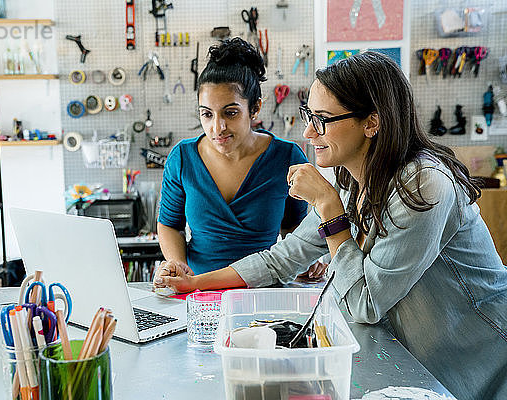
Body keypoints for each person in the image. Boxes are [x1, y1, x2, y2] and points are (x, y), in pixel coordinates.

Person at [154, 51, 507, 400]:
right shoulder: (350, 180)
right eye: (309, 115)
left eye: (322, 119)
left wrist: (329, 210)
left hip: (482, 357)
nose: (308, 132)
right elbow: (282, 258)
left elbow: (364, 302)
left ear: (371, 122)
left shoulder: (424, 184)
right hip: (424, 359)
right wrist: (194, 282)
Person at [157, 37, 312, 276]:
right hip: (198, 291)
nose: (217, 127)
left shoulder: (287, 157)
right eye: (207, 114)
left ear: (255, 108)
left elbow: (294, 228)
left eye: (230, 113)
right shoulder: (182, 158)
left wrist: (304, 262)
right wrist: (178, 264)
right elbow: (169, 224)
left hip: (263, 293)